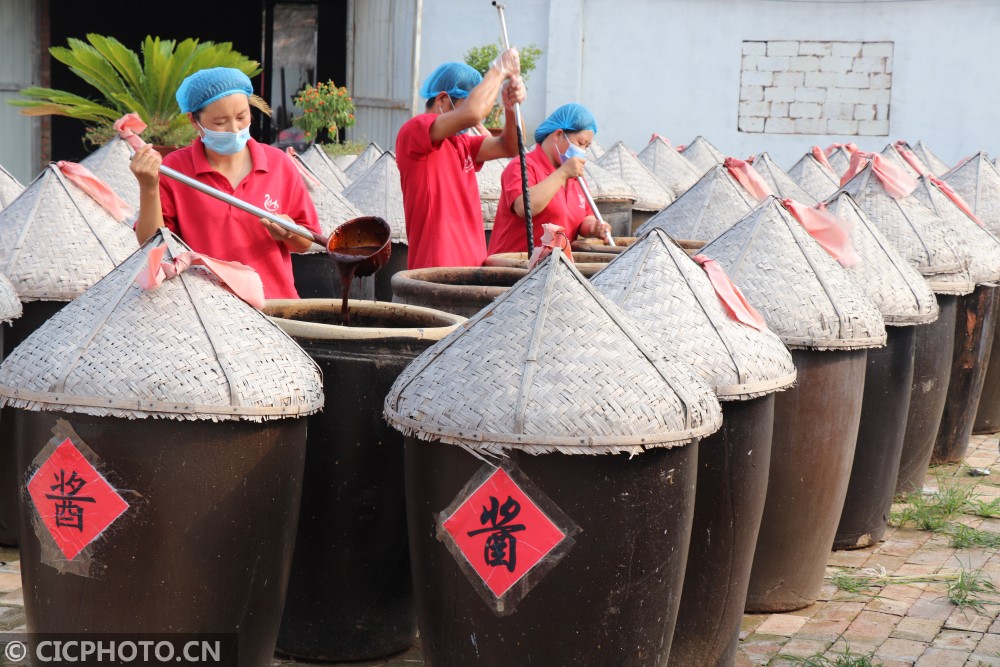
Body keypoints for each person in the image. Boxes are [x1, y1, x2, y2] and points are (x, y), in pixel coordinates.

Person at [129, 67, 321, 299]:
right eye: (220, 122)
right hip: (212, 312)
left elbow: (306, 243)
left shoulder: (278, 164)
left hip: (276, 306)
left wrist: (289, 232)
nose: (234, 129)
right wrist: (148, 187)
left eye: (242, 117)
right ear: (194, 120)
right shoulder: (176, 170)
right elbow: (152, 245)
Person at [396, 51, 526, 270]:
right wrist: (498, 70)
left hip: (471, 266)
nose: (479, 119)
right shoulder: (415, 131)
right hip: (437, 269)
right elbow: (474, 112)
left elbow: (510, 146)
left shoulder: (461, 142)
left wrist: (511, 107)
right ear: (443, 100)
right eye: (464, 103)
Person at [487, 103, 611, 256]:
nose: (582, 151)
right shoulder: (523, 166)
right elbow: (525, 207)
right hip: (515, 267)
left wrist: (593, 227)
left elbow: (585, 216)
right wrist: (562, 173)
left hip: (554, 269)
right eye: (580, 143)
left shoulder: (575, 177)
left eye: (586, 146)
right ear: (558, 134)